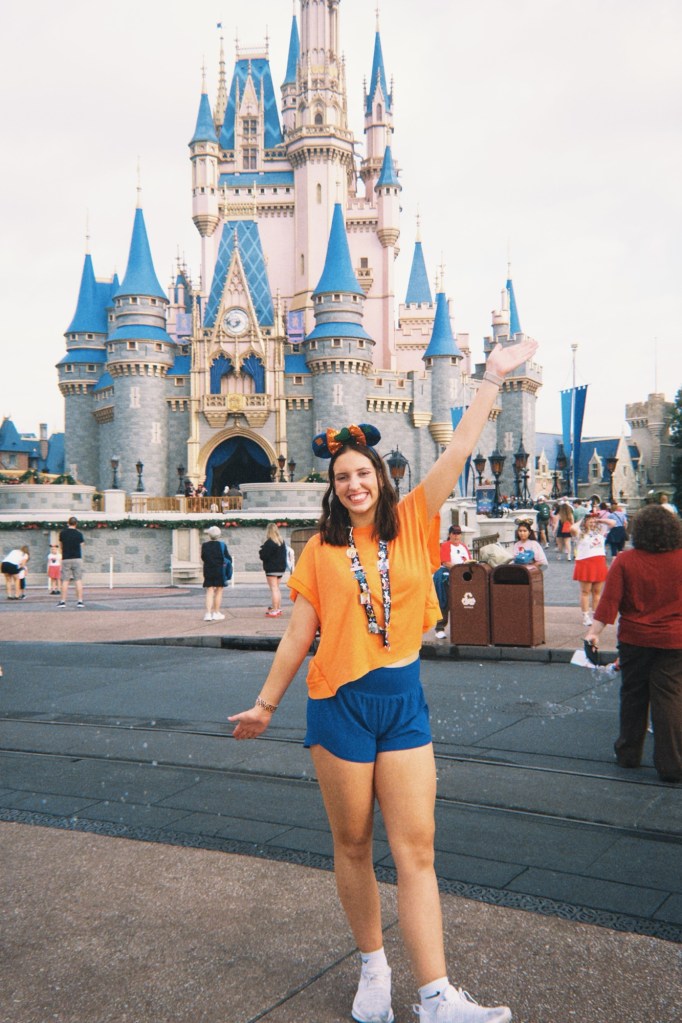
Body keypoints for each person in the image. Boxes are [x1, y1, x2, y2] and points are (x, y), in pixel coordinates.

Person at [229, 335, 537, 1023]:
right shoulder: (319, 549)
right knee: (354, 844)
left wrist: (490, 377)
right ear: (333, 488)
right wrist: (264, 704)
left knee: (417, 849)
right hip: (338, 704)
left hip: (401, 702)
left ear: (380, 476)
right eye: (342, 477)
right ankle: (373, 966)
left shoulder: (416, 522)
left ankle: (436, 996)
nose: (354, 484)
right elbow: (297, 634)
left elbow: (457, 451)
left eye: (362, 473)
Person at [585, 505, 682, 783]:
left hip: (635, 639)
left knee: (633, 695)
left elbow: (609, 603)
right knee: (669, 699)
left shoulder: (625, 561)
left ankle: (628, 753)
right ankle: (672, 764)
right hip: (674, 640)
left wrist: (593, 633)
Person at [570, 508, 615, 627]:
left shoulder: (600, 532)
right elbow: (572, 528)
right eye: (590, 520)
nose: (592, 522)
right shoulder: (580, 533)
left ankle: (596, 615)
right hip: (585, 563)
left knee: (597, 592)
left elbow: (612, 523)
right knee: (585, 591)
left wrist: (599, 520)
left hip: (599, 562)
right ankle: (585, 616)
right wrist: (582, 519)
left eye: (593, 520)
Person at [433, 525, 471, 640]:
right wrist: (458, 568)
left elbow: (469, 560)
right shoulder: (445, 545)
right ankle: (440, 628)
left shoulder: (464, 546)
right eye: (454, 533)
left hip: (460, 576)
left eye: (458, 533)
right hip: (445, 576)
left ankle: (461, 627)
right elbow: (445, 562)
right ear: (450, 534)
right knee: (444, 601)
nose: (456, 536)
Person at [259, 523, 288, 617]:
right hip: (281, 568)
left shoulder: (269, 542)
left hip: (271, 568)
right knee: (277, 588)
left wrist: (261, 550)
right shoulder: (281, 541)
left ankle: (275, 610)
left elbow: (263, 556)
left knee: (274, 589)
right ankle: (278, 608)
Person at [57, 517, 85, 607]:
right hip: (77, 558)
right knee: (78, 580)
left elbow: (61, 545)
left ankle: (63, 601)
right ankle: (80, 601)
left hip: (66, 558)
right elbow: (82, 545)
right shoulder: (79, 533)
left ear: (68, 523)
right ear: (76, 524)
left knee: (65, 580)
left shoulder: (63, 533)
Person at [201, 525, 227, 622]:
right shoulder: (222, 545)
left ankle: (208, 613)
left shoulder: (205, 545)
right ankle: (216, 612)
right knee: (219, 590)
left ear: (209, 535)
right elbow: (227, 557)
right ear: (219, 535)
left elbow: (203, 557)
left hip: (208, 569)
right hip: (219, 570)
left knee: (209, 590)